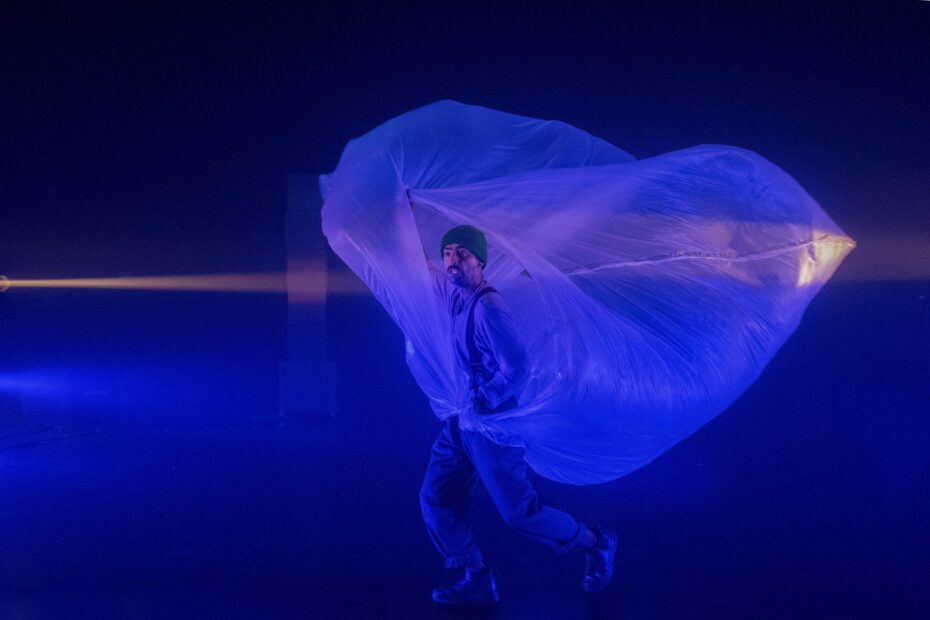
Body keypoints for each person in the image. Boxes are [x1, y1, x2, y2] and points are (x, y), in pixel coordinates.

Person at [420, 223, 618, 605]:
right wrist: (404, 215)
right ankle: (476, 574)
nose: (453, 260)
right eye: (448, 253)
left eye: (462, 253)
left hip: (493, 423)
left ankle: (595, 541)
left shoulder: (488, 307)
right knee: (436, 496)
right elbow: (419, 266)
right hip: (463, 421)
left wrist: (489, 397)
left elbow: (519, 367)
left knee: (519, 513)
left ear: (480, 261)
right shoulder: (455, 293)